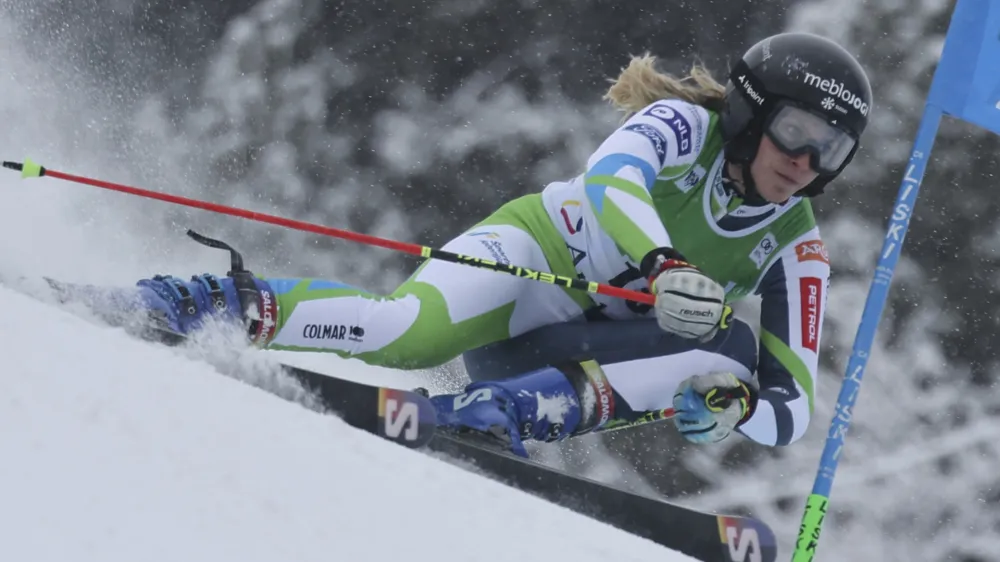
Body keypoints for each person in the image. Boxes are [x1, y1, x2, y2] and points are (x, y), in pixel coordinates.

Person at [83, 32, 872, 457]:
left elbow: (793, 407)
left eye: (830, 150)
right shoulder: (684, 126)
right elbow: (613, 181)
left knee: (732, 354)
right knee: (402, 334)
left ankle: (502, 415)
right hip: (533, 262)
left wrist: (737, 408)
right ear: (751, 113)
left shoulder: (795, 248)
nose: (804, 161)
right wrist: (664, 264)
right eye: (796, 131)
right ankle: (207, 302)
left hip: (565, 364)